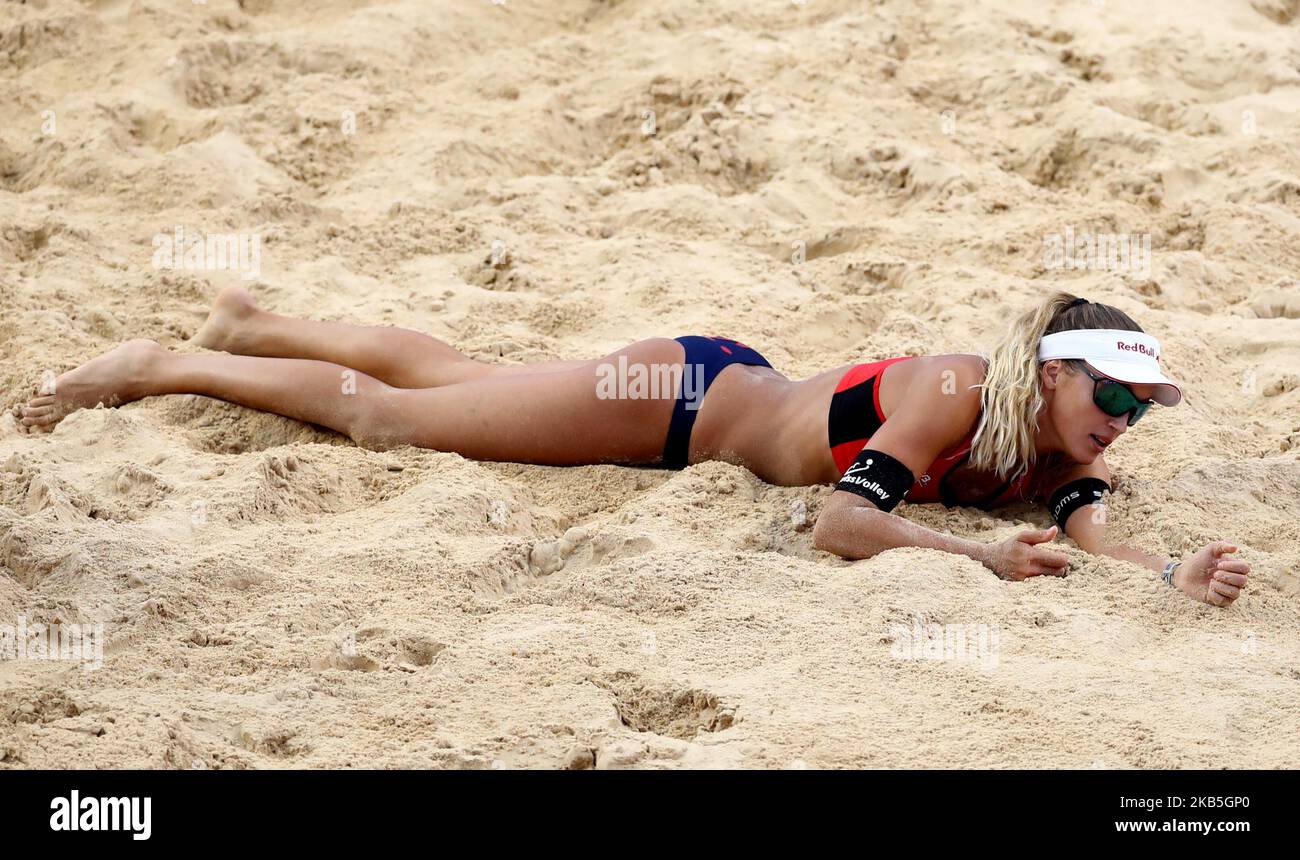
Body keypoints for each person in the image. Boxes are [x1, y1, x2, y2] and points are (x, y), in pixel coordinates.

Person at [17, 288, 1248, 606]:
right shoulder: (949, 390)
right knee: (405, 417)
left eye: (1139, 409)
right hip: (678, 398)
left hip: (716, 403)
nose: (1122, 421)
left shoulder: (1065, 447)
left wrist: (1165, 573)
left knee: (465, 379)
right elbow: (838, 524)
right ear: (1048, 370)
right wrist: (976, 561)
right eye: (1110, 395)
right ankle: (166, 364)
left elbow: (1102, 539)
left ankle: (252, 320)